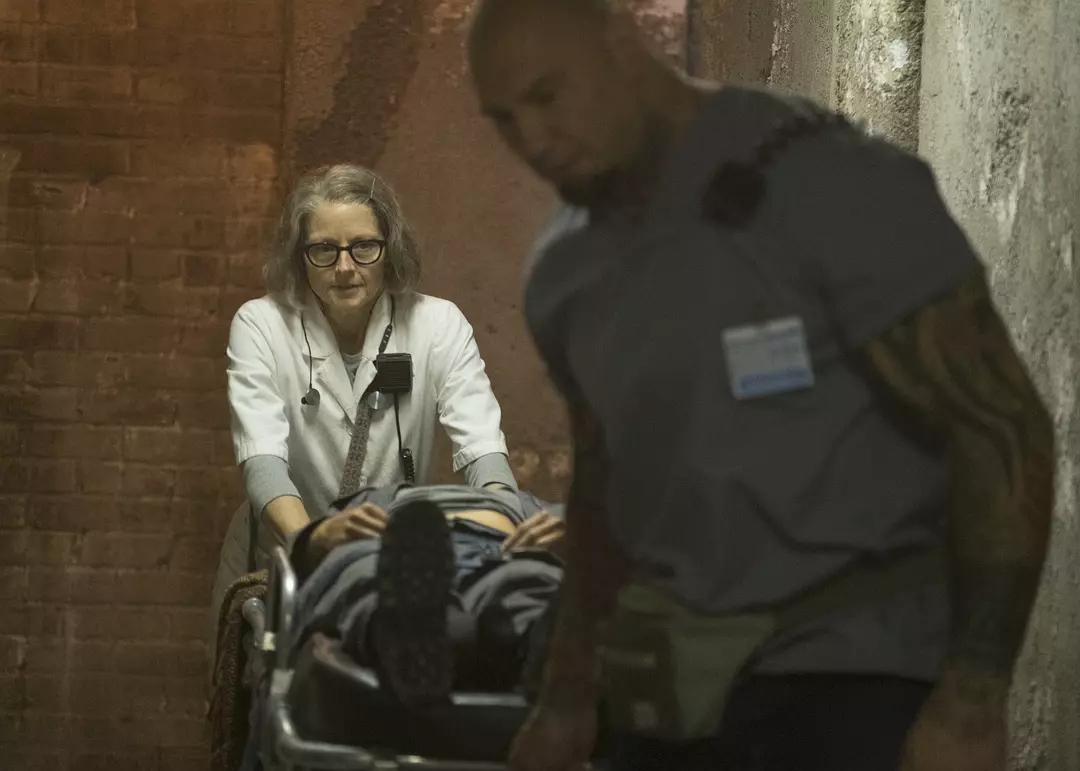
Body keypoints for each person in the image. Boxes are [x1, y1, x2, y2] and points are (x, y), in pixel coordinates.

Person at [465, 2, 1056, 771]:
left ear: (621, 43)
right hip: (673, 694)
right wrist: (567, 695)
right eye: (505, 120)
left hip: (853, 686)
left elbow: (999, 426)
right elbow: (605, 484)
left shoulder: (829, 182)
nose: (534, 139)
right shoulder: (564, 275)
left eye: (548, 95)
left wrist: (973, 701)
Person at [210, 163, 517, 671]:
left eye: (363, 247)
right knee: (266, 695)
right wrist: (314, 543)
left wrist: (506, 521)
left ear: (389, 247)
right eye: (323, 250)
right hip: (284, 555)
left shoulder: (438, 324)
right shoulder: (261, 323)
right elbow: (262, 460)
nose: (345, 267)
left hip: (390, 561)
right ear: (300, 256)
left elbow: (482, 446)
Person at [287, 483, 567, 707]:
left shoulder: (532, 504)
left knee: (531, 579)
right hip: (392, 544)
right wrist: (318, 536)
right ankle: (471, 636)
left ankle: (449, 634)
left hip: (509, 549)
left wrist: (573, 544)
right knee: (381, 575)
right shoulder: (370, 498)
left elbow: (585, 544)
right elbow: (299, 554)